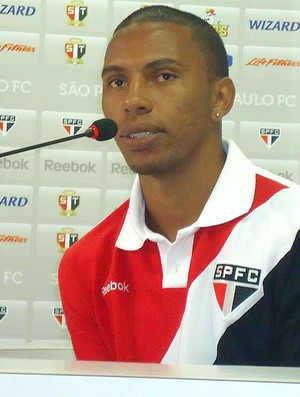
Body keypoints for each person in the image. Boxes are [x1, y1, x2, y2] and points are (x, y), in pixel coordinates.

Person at [58, 5, 300, 366]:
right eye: (117, 82)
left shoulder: (290, 229)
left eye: (164, 76)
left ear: (220, 98)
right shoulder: (87, 263)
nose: (133, 100)